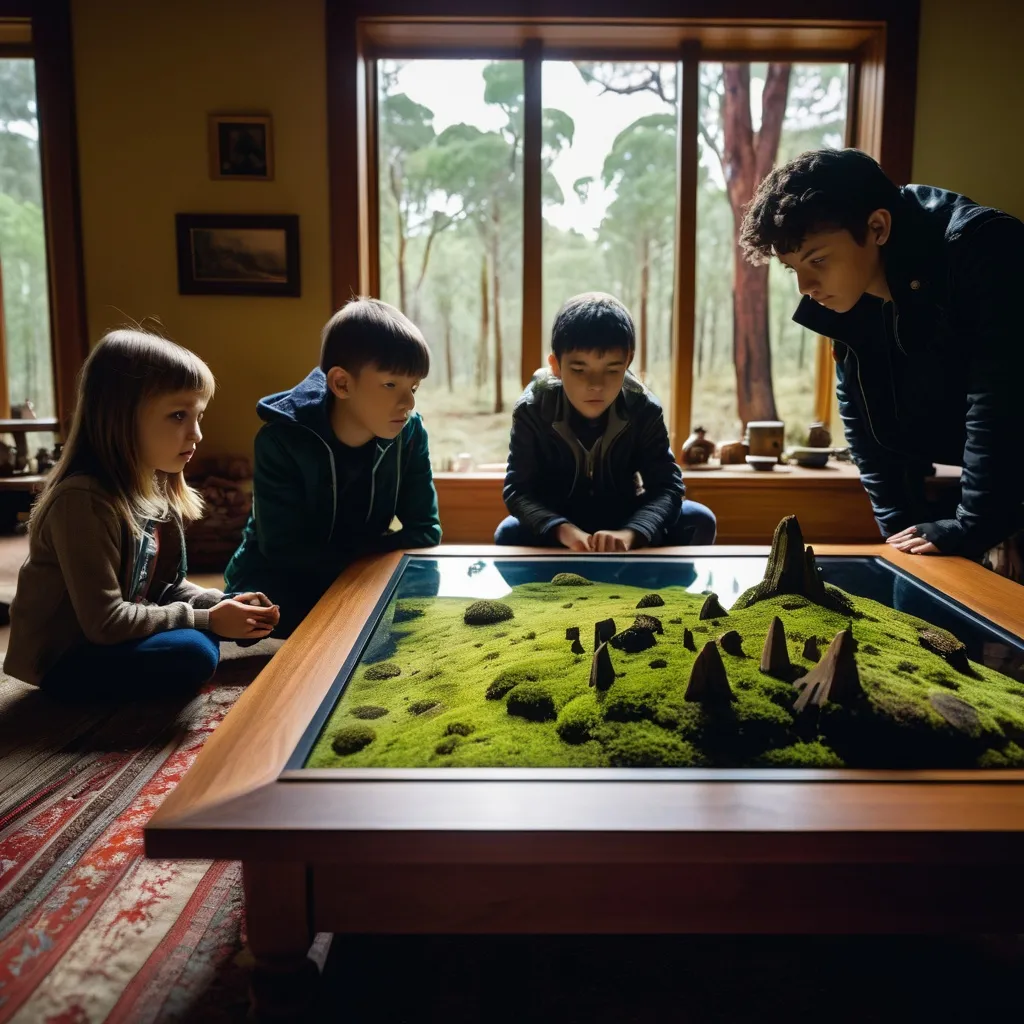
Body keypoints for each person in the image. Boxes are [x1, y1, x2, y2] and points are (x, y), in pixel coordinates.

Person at [740, 148, 1024, 576]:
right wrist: (902, 537)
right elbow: (862, 418)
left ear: (877, 227)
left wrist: (977, 525)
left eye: (817, 260)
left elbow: (1000, 398)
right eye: (791, 268)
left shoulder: (982, 248)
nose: (805, 285)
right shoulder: (852, 292)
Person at [4, 329, 279, 700]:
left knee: (243, 614)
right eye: (178, 415)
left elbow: (166, 587)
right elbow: (105, 621)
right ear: (121, 417)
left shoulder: (154, 486)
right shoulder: (82, 501)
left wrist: (220, 603)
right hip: (67, 656)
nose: (196, 434)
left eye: (199, 416)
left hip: (115, 635)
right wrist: (207, 620)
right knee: (193, 652)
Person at [225, 298, 441, 634]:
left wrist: (358, 568)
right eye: (391, 384)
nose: (409, 403)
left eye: (413, 387)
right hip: (280, 577)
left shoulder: (410, 433)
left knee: (423, 608)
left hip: (361, 571)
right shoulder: (280, 440)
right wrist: (368, 557)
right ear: (341, 383)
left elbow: (427, 529)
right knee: (263, 620)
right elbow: (283, 550)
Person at [496, 291, 717, 551]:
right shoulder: (533, 408)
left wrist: (631, 533)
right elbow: (517, 489)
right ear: (555, 365)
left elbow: (668, 487)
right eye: (579, 370)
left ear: (628, 362)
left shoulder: (643, 407)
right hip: (560, 523)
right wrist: (562, 530)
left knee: (700, 520)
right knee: (508, 534)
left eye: (612, 370)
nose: (595, 386)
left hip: (624, 515)